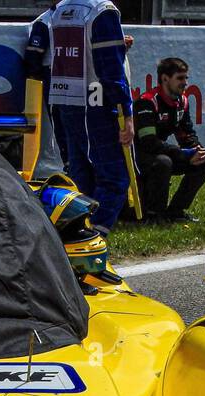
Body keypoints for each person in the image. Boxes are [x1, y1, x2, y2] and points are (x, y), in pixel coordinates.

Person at [47, 0, 132, 233]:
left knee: (80, 174)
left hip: (65, 100)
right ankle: (92, 235)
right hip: (95, 103)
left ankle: (75, 230)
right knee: (115, 178)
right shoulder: (101, 10)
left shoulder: (60, 9)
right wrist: (127, 112)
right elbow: (111, 70)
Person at [132, 56, 205, 223]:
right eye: (180, 78)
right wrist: (182, 153)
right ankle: (154, 214)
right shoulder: (147, 102)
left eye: (186, 78)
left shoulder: (182, 102)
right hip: (137, 155)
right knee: (164, 162)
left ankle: (175, 211)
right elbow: (148, 142)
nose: (185, 83)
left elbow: (187, 134)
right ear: (164, 79)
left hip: (160, 152)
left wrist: (197, 150)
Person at [24, 0, 68, 168]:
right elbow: (32, 58)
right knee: (61, 122)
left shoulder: (82, 16)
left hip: (76, 75)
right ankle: (69, 162)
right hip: (53, 76)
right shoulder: (44, 22)